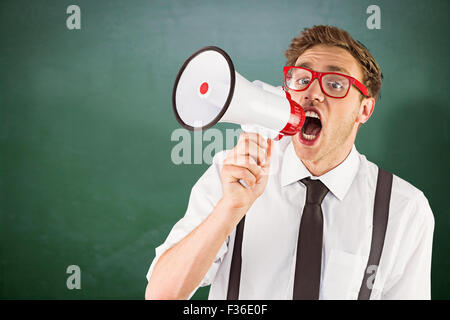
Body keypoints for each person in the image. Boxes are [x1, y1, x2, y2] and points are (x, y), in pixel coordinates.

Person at [145, 25, 434, 300]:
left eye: (335, 83)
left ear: (365, 109)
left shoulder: (405, 208)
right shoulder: (231, 174)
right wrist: (228, 210)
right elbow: (160, 294)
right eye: (301, 79)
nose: (313, 93)